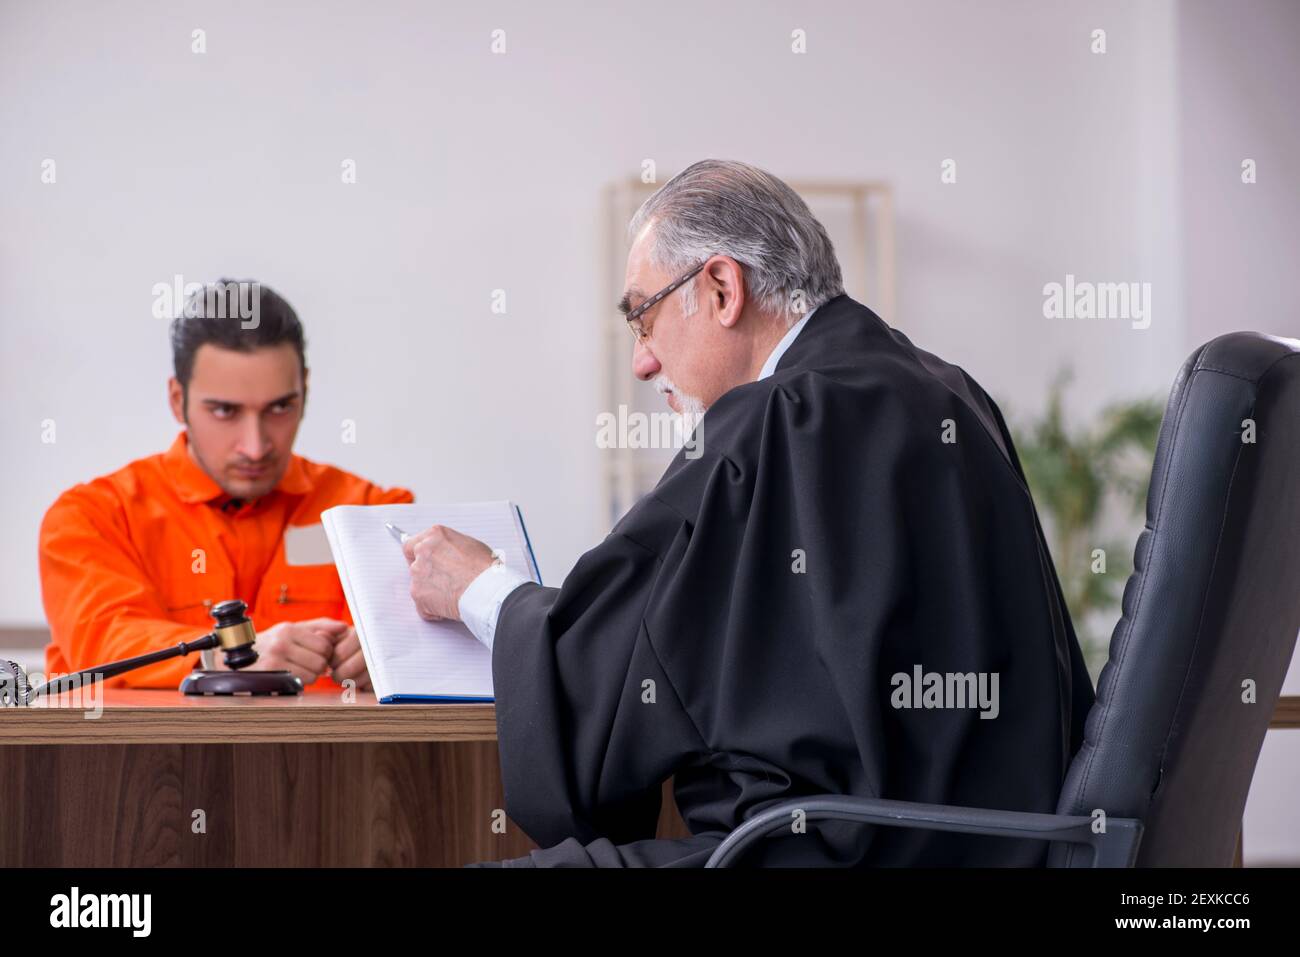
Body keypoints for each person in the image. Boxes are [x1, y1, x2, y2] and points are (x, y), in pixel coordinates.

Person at [404, 160, 1095, 867]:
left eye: (643, 315)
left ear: (721, 288)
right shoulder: (950, 392)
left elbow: (609, 686)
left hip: (824, 852)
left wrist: (481, 589)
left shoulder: (776, 418)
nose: (643, 361)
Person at [39, 280, 413, 691]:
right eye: (224, 411)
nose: (255, 447)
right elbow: (104, 645)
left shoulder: (376, 515)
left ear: (305, 390)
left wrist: (402, 648)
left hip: (341, 756)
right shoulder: (94, 519)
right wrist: (228, 659)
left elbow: (424, 642)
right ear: (176, 399)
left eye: (279, 407)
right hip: (151, 756)